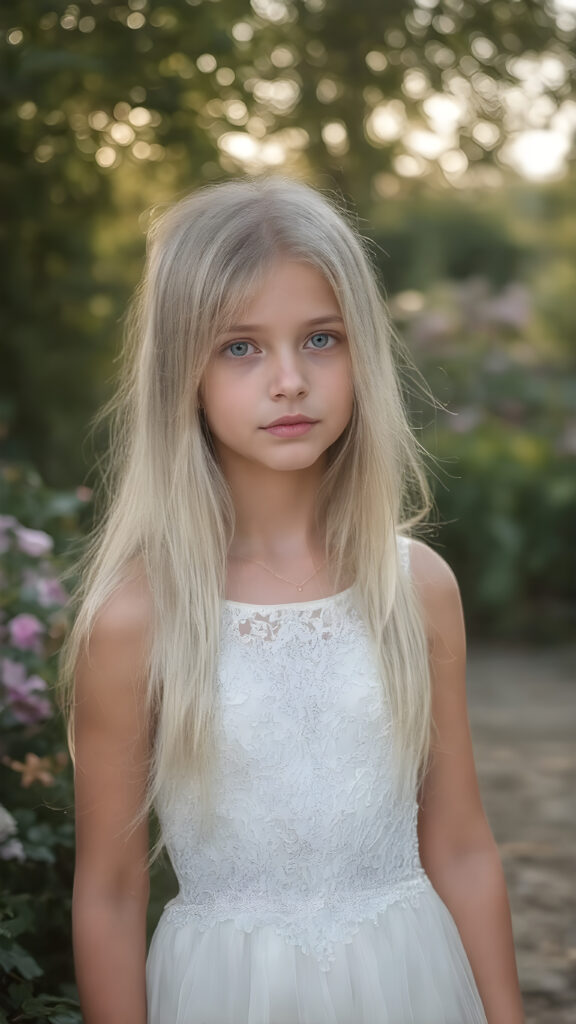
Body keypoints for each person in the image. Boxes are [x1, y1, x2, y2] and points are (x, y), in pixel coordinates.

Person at [59, 175, 525, 1023]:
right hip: (225, 996)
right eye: (240, 347)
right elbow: (112, 893)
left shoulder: (415, 588)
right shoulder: (135, 620)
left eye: (320, 339)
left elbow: (458, 845)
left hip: (409, 982)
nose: (288, 380)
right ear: (182, 372)